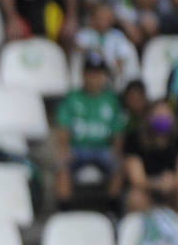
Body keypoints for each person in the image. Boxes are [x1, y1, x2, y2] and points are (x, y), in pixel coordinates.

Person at [52, 51, 127, 204]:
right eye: (91, 73)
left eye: (98, 73)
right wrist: (64, 149)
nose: (95, 78)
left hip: (103, 150)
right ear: (83, 74)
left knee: (119, 168)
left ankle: (112, 210)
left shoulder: (111, 100)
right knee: (62, 168)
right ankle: (64, 211)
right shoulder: (72, 97)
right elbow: (63, 127)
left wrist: (116, 152)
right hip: (77, 149)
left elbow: (118, 132)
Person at [122, 98, 178, 215]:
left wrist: (172, 183)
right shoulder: (134, 139)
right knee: (135, 198)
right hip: (147, 188)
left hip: (173, 189)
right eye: (158, 114)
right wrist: (157, 184)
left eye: (165, 114)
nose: (162, 118)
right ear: (148, 117)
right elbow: (136, 178)